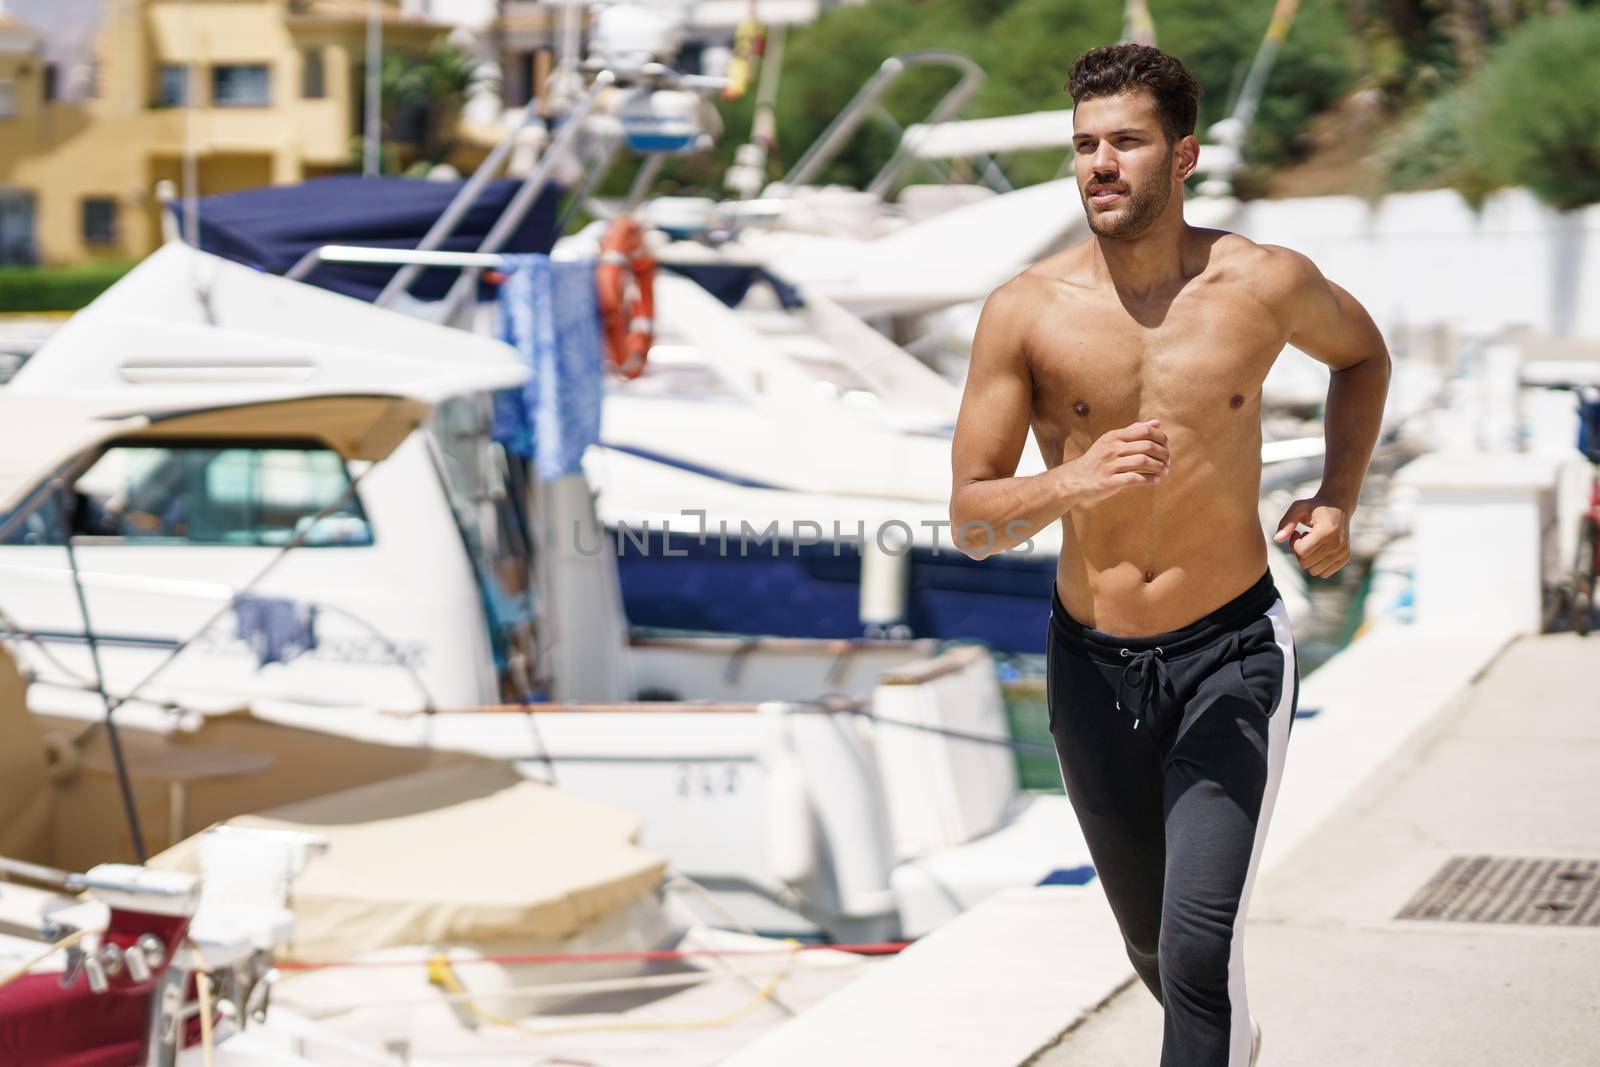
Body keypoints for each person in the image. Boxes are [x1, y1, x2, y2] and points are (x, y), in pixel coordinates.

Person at [948, 43, 1390, 1067]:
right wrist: (1072, 480)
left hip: (1229, 653)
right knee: (1152, 945)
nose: (1100, 163)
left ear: (1182, 155)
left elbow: (1361, 355)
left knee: (1197, 950)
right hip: (1090, 666)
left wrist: (1338, 496)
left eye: (1126, 142)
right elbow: (970, 518)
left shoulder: (1263, 284)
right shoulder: (1027, 311)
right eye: (1084, 145)